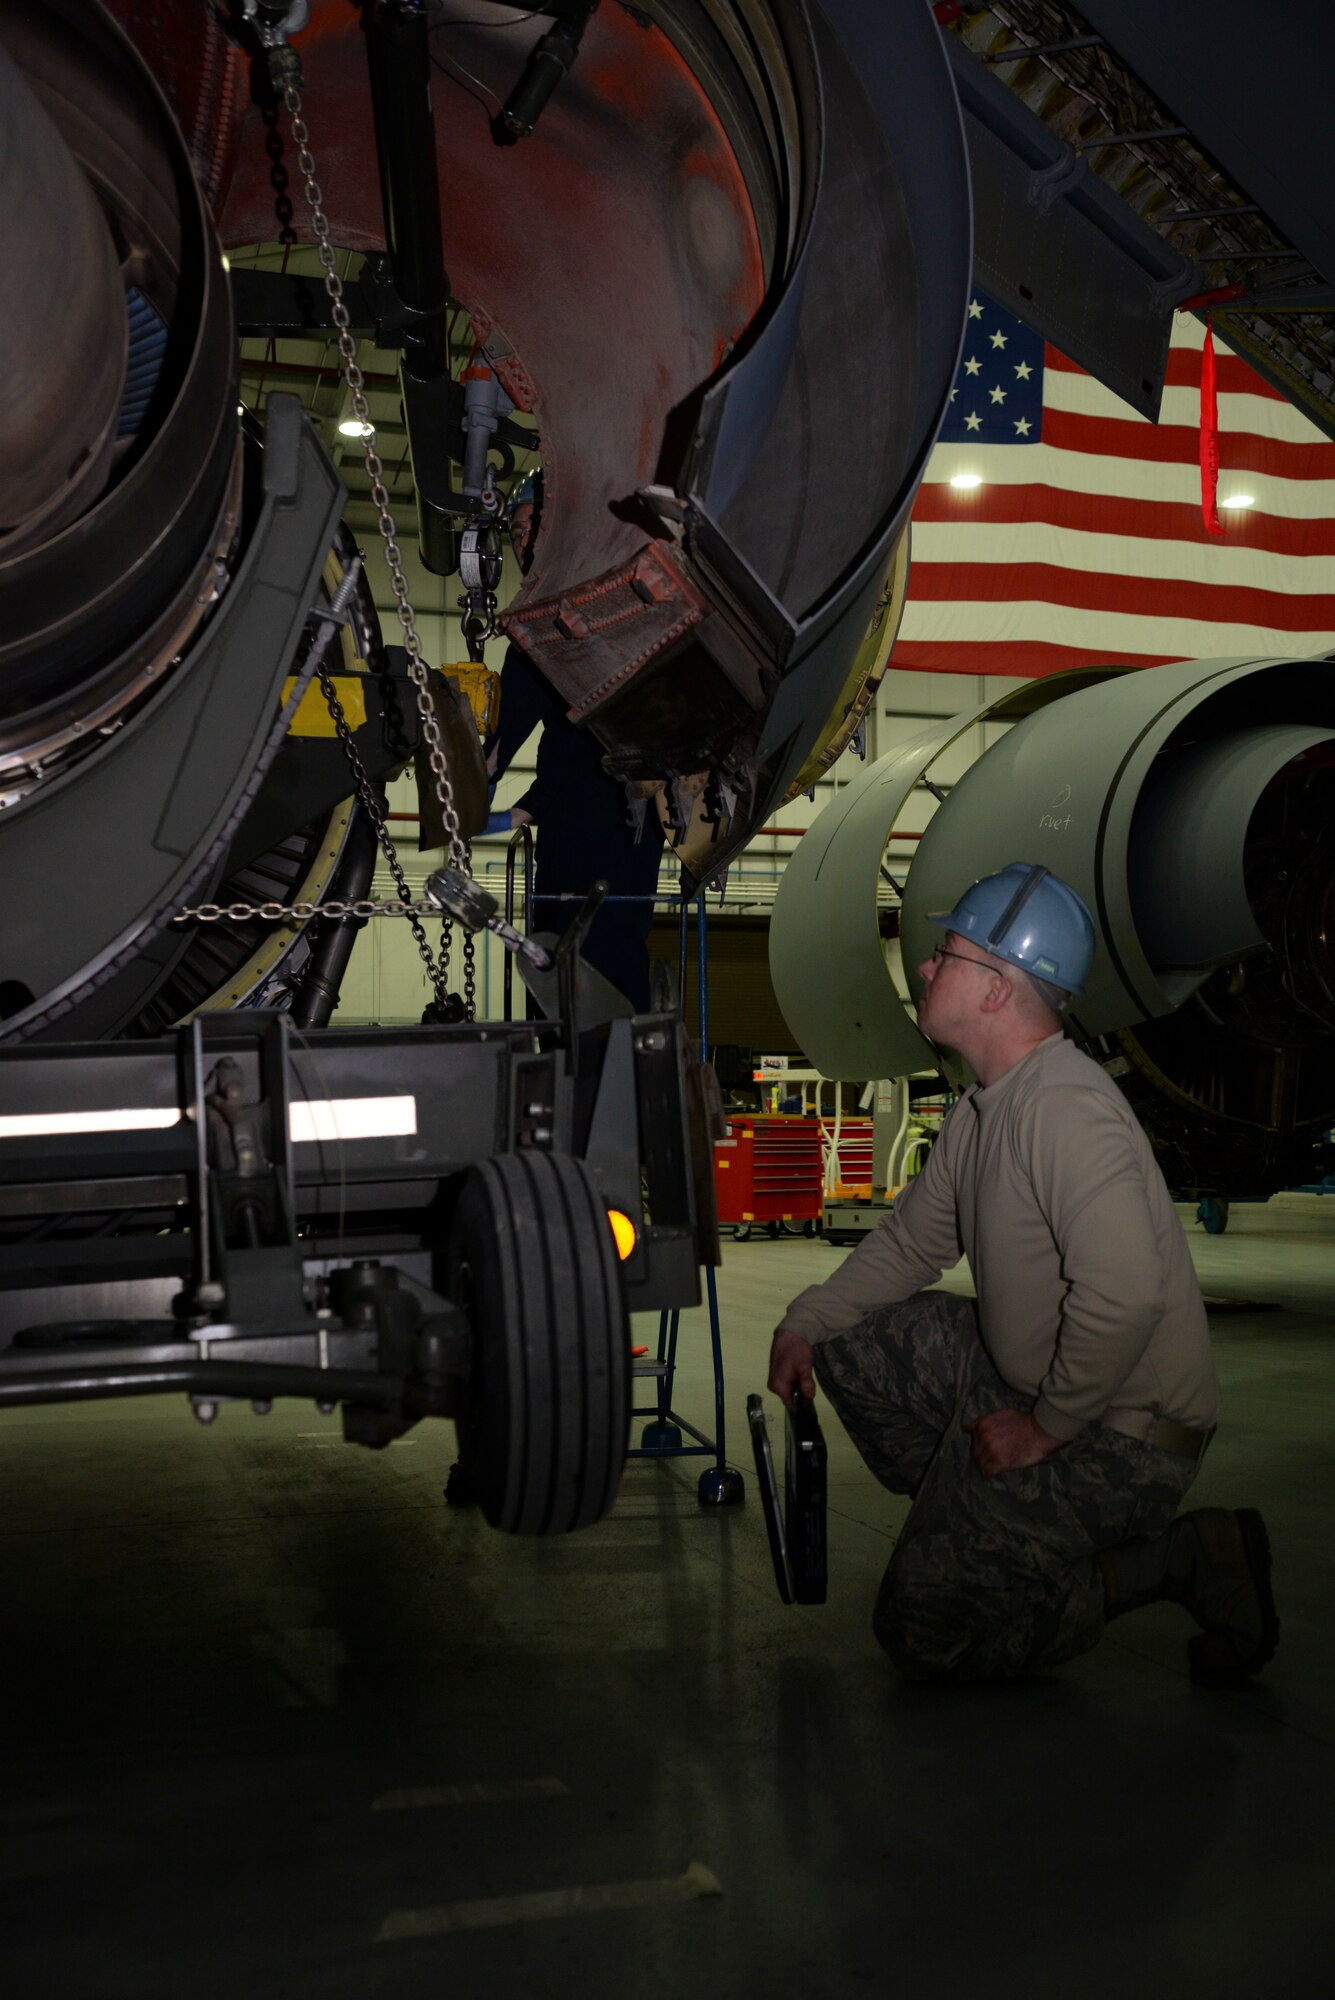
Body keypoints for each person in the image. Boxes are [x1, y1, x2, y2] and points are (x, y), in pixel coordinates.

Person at [768, 862, 1279, 1689]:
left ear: (999, 988)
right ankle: (979, 1528)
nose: (927, 966)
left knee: (925, 1631)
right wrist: (804, 1322)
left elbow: (1126, 1295)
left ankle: (1177, 1559)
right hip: (1029, 1384)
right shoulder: (983, 1109)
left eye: (947, 954)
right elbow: (907, 1246)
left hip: (1121, 1430)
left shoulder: (1064, 1109)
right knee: (849, 1341)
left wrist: (1047, 1426)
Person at [485, 473, 665, 1010]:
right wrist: (517, 810)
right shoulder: (549, 629)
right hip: (576, 835)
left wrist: (474, 796)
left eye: (535, 525)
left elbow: (501, 745)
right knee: (556, 968)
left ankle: (612, 1084)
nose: (524, 542)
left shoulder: (557, 628)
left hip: (615, 832)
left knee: (594, 968)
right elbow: (554, 745)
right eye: (516, 532)